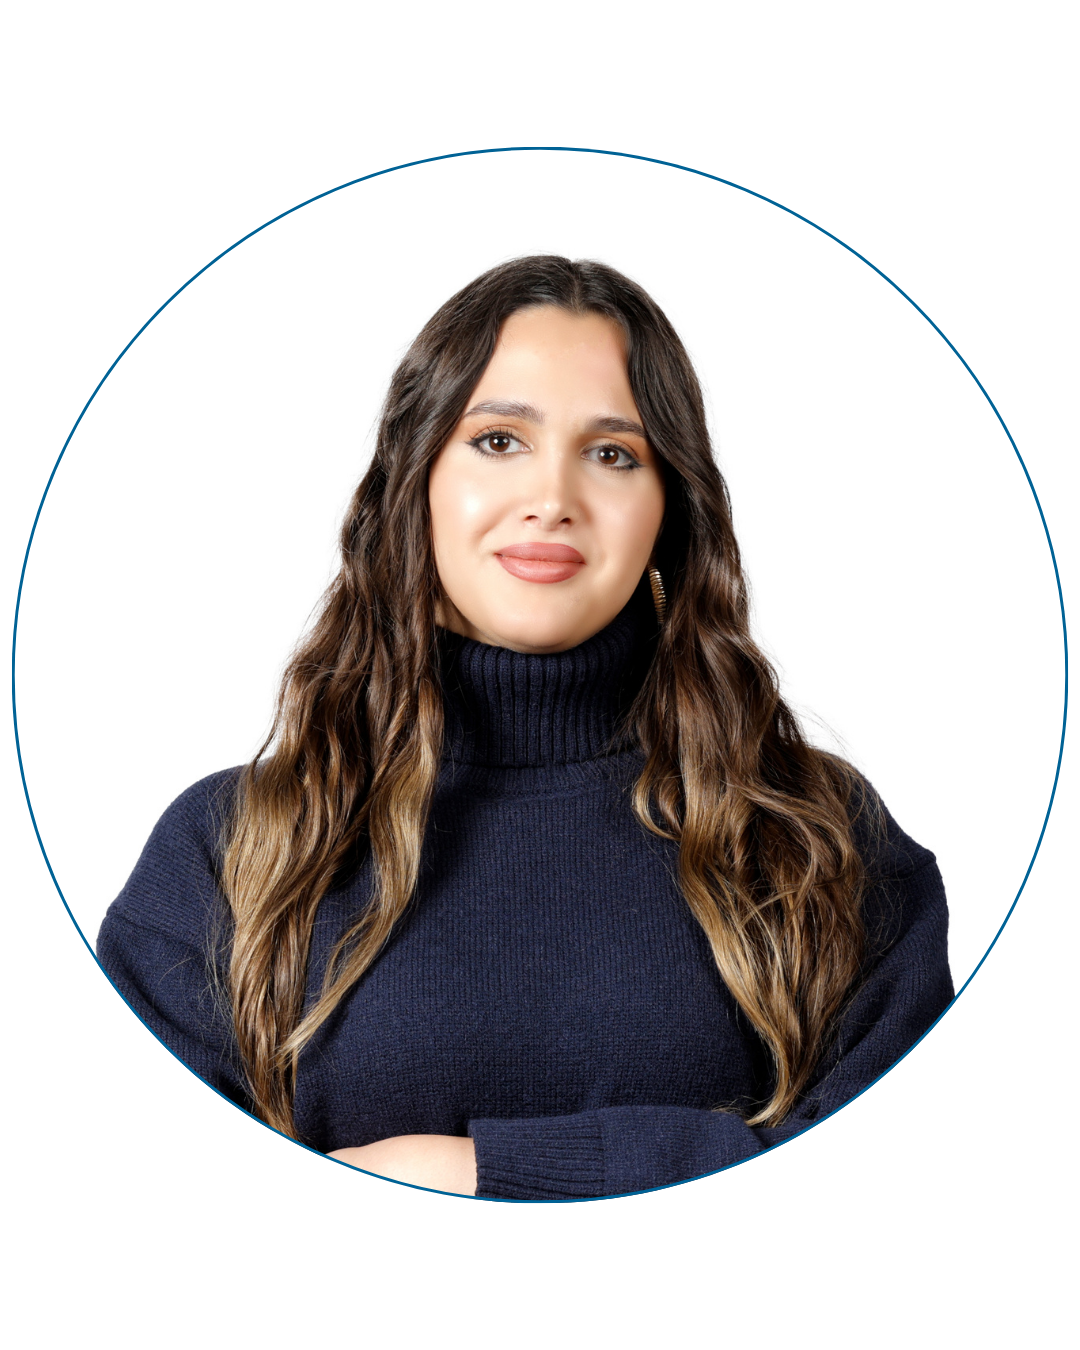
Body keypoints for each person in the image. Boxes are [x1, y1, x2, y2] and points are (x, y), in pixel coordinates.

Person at [97, 255, 953, 1200]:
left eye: (613, 453)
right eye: (500, 441)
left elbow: (898, 1187)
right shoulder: (229, 854)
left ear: (670, 511)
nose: (553, 496)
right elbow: (148, 1212)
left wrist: (482, 1175)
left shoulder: (818, 838)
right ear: (416, 479)